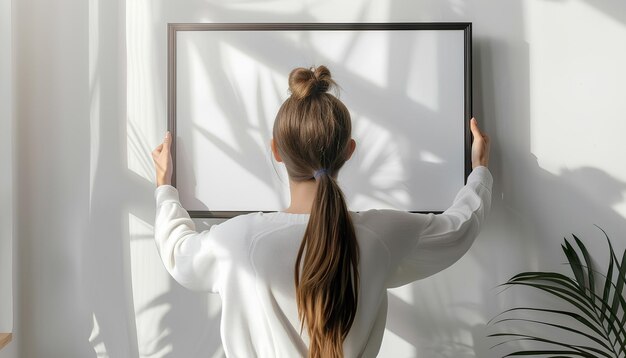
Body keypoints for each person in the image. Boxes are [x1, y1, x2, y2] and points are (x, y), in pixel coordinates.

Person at [151, 65, 492, 358]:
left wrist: (165, 187)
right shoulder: (382, 234)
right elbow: (459, 227)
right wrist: (479, 171)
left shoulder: (239, 240)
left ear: (276, 151)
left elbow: (179, 252)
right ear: (349, 151)